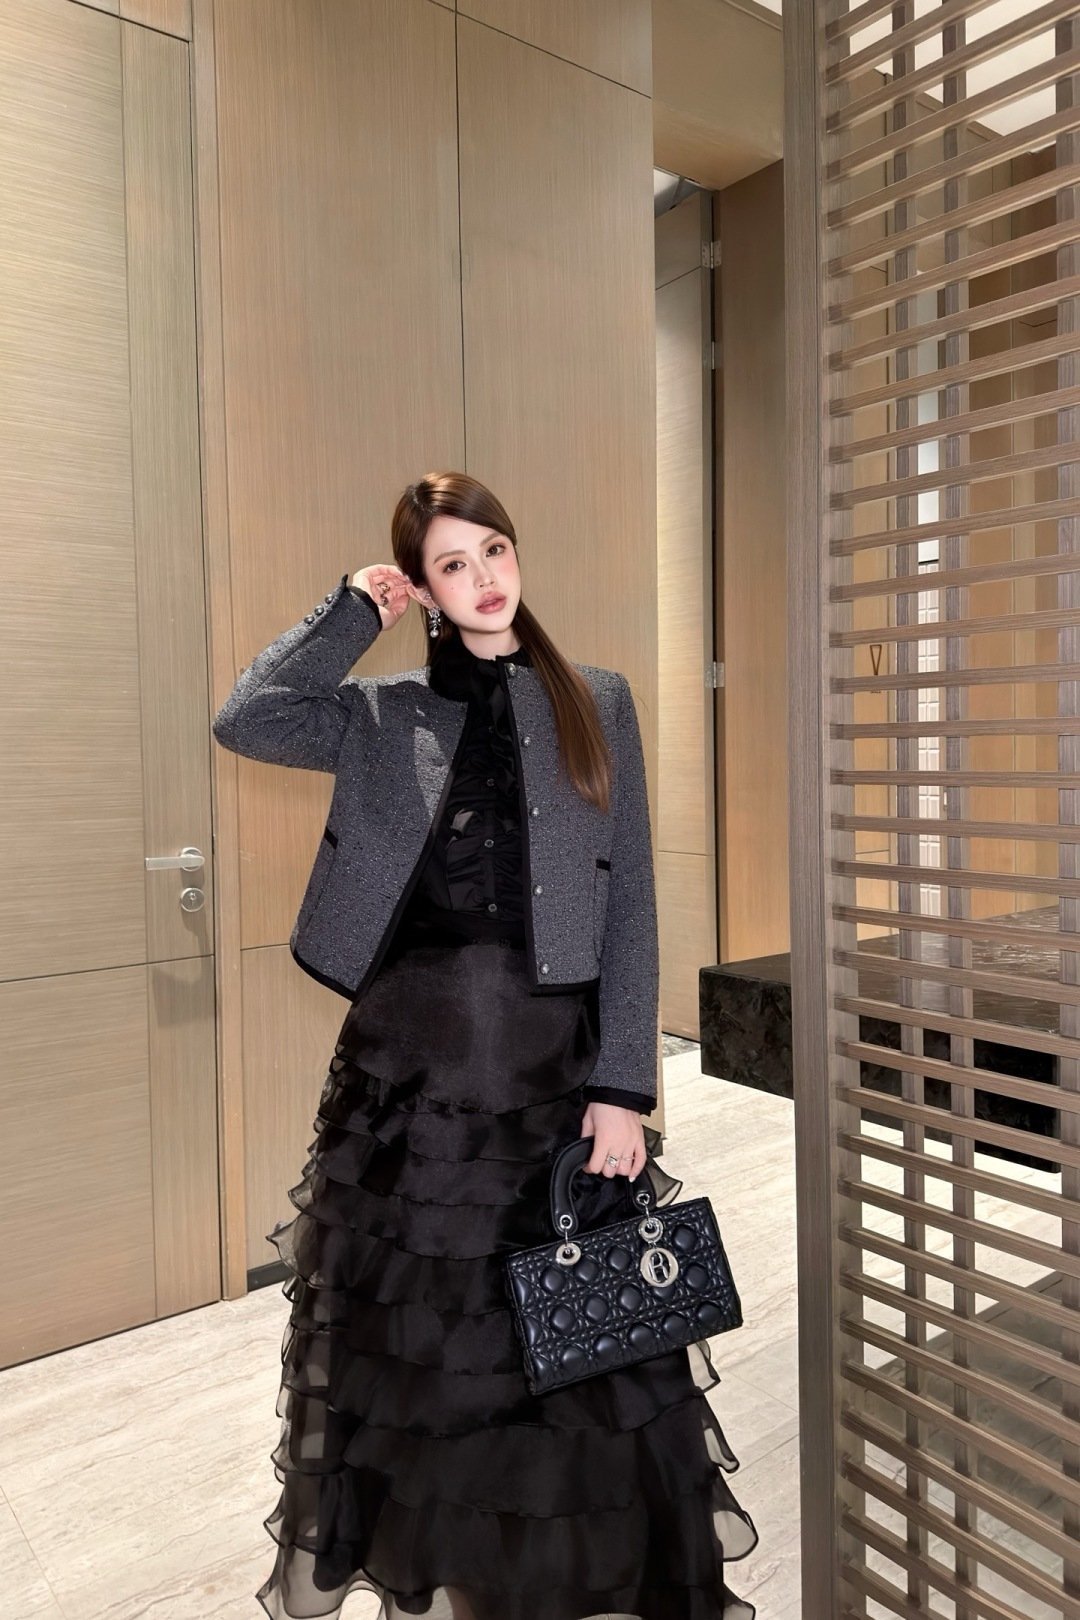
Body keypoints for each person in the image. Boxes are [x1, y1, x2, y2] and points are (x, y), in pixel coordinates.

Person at [211, 472, 757, 1620]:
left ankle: (557, 1577)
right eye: (452, 565)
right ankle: (458, 1574)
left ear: (517, 553)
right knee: (429, 1363)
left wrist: (624, 1085)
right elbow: (248, 715)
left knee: (578, 1347)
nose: (484, 578)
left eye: (494, 550)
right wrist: (353, 609)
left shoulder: (596, 700)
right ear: (426, 589)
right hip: (407, 1089)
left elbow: (630, 900)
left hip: (550, 1079)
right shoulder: (383, 713)